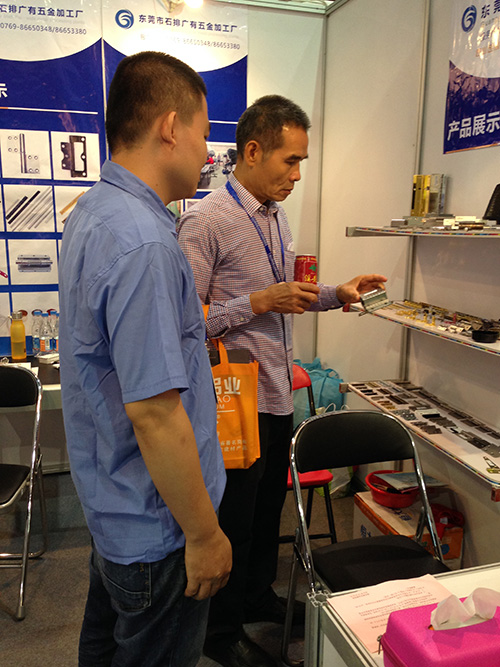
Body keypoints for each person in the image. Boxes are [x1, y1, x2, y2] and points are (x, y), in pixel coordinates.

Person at [178, 94, 387, 667]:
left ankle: (255, 597)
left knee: (267, 510)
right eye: (290, 161)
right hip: (231, 401)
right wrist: (257, 301)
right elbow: (184, 319)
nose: (297, 175)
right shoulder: (206, 220)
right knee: (233, 519)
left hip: (275, 392)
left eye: (301, 162)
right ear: (252, 151)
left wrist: (337, 293)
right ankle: (220, 632)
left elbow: (286, 296)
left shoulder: (275, 214)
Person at [58, 51, 231, 667]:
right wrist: (205, 535)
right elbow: (155, 414)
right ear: (170, 127)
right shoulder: (144, 243)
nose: (208, 153)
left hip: (117, 507)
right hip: (159, 529)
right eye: (205, 133)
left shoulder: (95, 213)